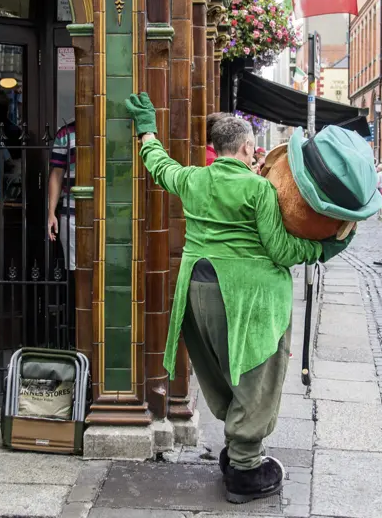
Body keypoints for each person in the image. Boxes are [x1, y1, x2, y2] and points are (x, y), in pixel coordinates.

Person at [125, 93, 356, 503]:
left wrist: (146, 127)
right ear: (248, 147)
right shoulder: (258, 189)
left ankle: (236, 451)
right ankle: (246, 467)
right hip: (250, 296)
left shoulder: (194, 179)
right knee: (256, 375)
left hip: (197, 291)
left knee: (222, 370)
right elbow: (282, 251)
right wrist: (323, 250)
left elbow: (158, 165)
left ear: (216, 148)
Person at [47, 119, 77, 345]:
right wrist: (51, 212)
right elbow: (57, 173)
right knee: (73, 272)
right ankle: (73, 335)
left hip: (106, 214)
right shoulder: (65, 134)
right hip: (71, 212)